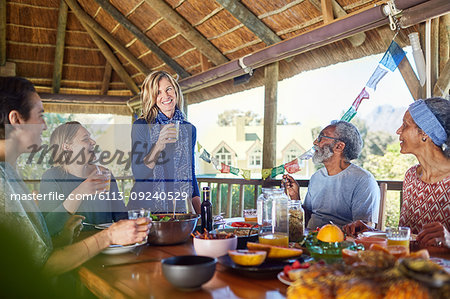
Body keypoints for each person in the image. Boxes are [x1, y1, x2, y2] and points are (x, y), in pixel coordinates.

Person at [0, 76, 150, 278]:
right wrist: (108, 236)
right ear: (16, 120)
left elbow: (42, 245)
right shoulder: (15, 180)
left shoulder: (10, 173)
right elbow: (42, 264)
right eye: (40, 115)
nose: (45, 126)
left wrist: (66, 235)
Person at [343, 98, 449, 248]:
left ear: (424, 132)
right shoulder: (411, 176)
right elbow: (409, 236)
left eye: (405, 125)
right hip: (408, 266)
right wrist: (372, 232)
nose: (398, 131)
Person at [283, 120, 380, 229]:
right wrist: (295, 197)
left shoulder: (363, 180)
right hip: (309, 240)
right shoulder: (316, 177)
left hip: (341, 244)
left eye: (321, 138)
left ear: (339, 146)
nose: (315, 142)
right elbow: (306, 220)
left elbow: (365, 229)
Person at [39, 121, 127, 239]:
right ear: (67, 146)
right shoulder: (51, 178)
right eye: (86, 139)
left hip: (108, 246)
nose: (93, 142)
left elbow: (122, 218)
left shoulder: (105, 174)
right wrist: (79, 192)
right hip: (73, 250)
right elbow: (49, 228)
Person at [129, 71, 201, 214]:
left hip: (177, 209)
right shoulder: (141, 126)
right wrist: (159, 144)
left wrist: (202, 215)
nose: (165, 96)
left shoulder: (189, 130)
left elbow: (190, 174)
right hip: (145, 208)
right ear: (152, 97)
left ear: (175, 91)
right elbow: (139, 173)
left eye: (168, 89)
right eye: (158, 92)